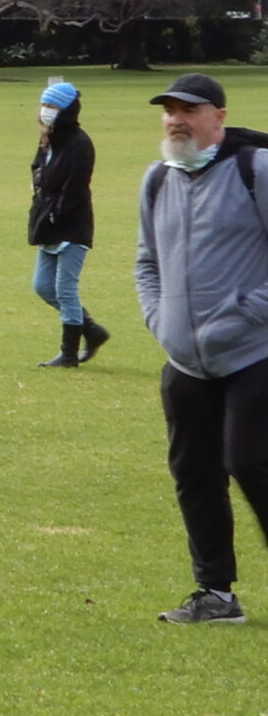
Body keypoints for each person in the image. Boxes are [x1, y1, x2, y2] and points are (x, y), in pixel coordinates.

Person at [133, 73, 268, 624]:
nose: (175, 120)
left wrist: (244, 315)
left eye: (188, 110)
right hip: (184, 359)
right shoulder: (157, 180)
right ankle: (216, 593)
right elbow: (146, 263)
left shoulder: (254, 171)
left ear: (219, 116)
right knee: (194, 472)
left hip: (253, 353)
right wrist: (161, 321)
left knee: (251, 461)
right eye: (168, 110)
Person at [29, 78, 108, 368]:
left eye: (51, 106)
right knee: (42, 286)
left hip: (72, 224)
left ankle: (69, 353)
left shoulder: (80, 143)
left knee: (65, 289)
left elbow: (76, 186)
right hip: (48, 220)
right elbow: (39, 167)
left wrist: (56, 213)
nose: (45, 110)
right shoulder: (48, 138)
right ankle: (91, 329)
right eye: (44, 105)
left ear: (65, 109)